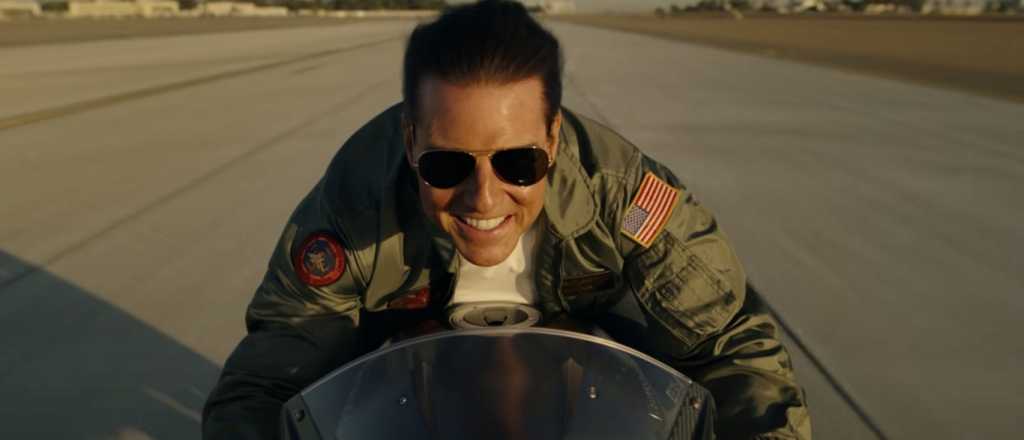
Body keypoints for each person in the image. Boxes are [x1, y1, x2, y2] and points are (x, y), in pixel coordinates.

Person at [202, 1, 812, 439]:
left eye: (519, 163)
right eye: (446, 165)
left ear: (554, 137)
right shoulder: (355, 206)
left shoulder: (624, 200)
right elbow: (268, 381)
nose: (484, 199)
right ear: (411, 142)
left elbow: (734, 351)